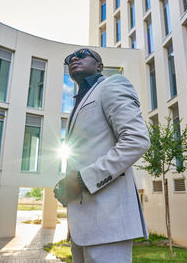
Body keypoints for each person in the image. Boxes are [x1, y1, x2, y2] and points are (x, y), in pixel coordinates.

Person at [54, 48, 150, 263]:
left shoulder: (112, 85)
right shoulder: (77, 103)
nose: (74, 59)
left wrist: (82, 180)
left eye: (83, 54)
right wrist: (67, 187)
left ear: (99, 66)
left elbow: (136, 140)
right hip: (81, 230)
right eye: (69, 58)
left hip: (109, 225)